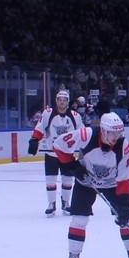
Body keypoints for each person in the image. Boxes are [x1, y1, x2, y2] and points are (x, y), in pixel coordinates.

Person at [50, 112, 129, 258]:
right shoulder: (86, 135)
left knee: (127, 218)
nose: (116, 137)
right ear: (103, 130)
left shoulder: (123, 146)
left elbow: (124, 179)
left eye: (119, 133)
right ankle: (74, 255)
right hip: (86, 182)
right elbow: (59, 145)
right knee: (79, 219)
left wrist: (124, 206)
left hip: (112, 184)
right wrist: (73, 166)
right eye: (112, 133)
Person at [26, 89, 81, 217]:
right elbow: (40, 128)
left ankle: (66, 203)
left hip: (67, 154)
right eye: (59, 100)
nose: (62, 102)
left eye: (64, 100)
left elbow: (82, 133)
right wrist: (34, 140)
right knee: (50, 180)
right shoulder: (48, 113)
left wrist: (86, 148)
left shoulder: (75, 116)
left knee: (68, 180)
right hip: (51, 153)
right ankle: (51, 204)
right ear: (56, 101)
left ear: (68, 102)